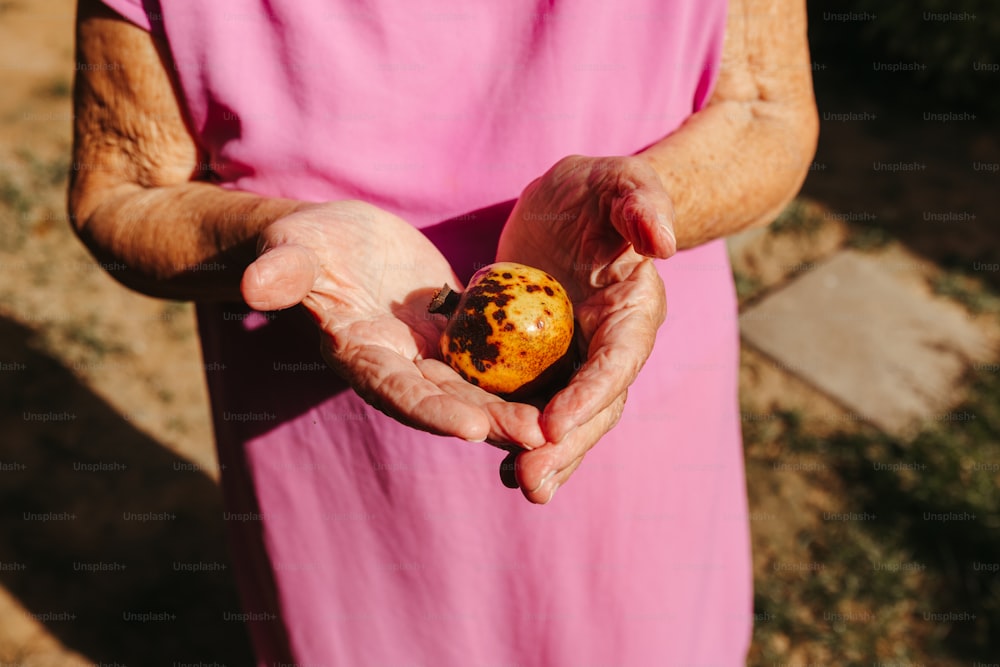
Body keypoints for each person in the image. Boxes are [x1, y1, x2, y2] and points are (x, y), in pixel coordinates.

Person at [69, 0, 818, 663]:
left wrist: (649, 203)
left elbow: (765, 109)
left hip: (621, 346)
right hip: (335, 419)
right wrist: (276, 235)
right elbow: (120, 192)